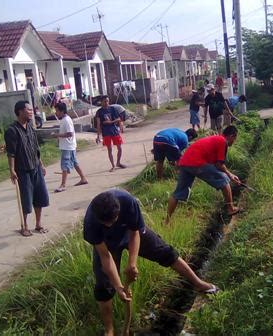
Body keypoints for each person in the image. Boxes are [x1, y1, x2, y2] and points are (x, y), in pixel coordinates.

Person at [84, 188, 218, 336]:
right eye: (105, 223)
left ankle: (198, 284)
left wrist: (132, 263)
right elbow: (105, 256)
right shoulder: (91, 221)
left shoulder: (128, 202)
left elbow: (135, 233)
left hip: (130, 234)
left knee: (166, 252)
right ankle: (109, 329)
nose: (109, 226)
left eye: (112, 221)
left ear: (119, 211)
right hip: (108, 244)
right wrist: (118, 287)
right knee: (104, 285)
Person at [166, 126, 241, 224]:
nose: (233, 142)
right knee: (224, 179)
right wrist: (230, 175)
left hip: (185, 162)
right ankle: (230, 208)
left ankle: (167, 221)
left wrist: (228, 173)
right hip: (196, 162)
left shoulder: (216, 139)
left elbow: (216, 165)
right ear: (231, 136)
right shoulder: (222, 141)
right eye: (235, 139)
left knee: (177, 193)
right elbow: (219, 165)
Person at [4, 101, 49, 237]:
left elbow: (35, 148)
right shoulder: (12, 131)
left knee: (40, 196)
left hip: (35, 167)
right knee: (26, 200)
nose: (31, 112)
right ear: (20, 111)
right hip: (22, 171)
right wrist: (12, 170)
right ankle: (24, 226)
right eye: (29, 110)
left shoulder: (30, 126)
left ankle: (38, 224)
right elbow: (11, 153)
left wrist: (41, 164)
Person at [52, 102, 88, 192]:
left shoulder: (66, 120)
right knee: (75, 163)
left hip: (67, 147)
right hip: (69, 146)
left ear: (62, 111)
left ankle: (63, 185)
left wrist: (57, 135)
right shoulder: (64, 120)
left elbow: (69, 134)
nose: (56, 113)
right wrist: (59, 137)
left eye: (57, 111)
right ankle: (83, 178)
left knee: (64, 165)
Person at [96, 96, 126, 172]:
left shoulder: (113, 109)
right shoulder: (99, 112)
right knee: (109, 149)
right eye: (105, 101)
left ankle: (118, 162)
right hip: (106, 132)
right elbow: (98, 124)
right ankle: (113, 165)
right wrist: (98, 136)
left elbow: (119, 119)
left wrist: (112, 122)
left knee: (119, 147)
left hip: (114, 130)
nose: (106, 103)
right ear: (101, 102)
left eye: (107, 101)